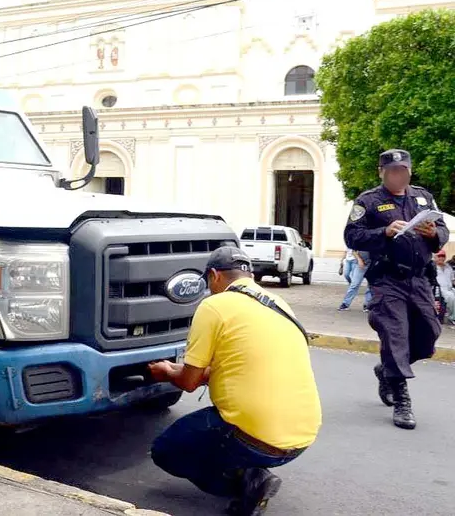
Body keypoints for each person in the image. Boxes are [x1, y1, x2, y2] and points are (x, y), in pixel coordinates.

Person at [148, 246, 321, 516]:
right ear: (248, 274)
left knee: (165, 451)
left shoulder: (214, 306)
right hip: (302, 437)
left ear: (214, 275)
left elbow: (189, 382)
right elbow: (238, 366)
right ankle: (250, 472)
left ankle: (249, 483)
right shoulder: (279, 304)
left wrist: (168, 371)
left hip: (255, 439)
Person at [343, 148, 449, 430]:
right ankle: (402, 400)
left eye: (402, 170)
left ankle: (387, 371)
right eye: (392, 171)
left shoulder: (423, 197)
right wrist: (385, 232)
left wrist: (434, 234)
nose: (397, 175)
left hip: (420, 280)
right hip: (388, 280)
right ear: (382, 172)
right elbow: (352, 235)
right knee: (395, 335)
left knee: (429, 333)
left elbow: (442, 230)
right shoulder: (369, 201)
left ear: (409, 171)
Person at [435, 250, 455, 325]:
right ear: (435, 257)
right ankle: (452, 317)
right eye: (439, 256)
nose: (441, 258)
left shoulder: (448, 267)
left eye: (443, 256)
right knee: (451, 297)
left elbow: (453, 280)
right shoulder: (433, 267)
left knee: (452, 294)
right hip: (439, 289)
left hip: (449, 288)